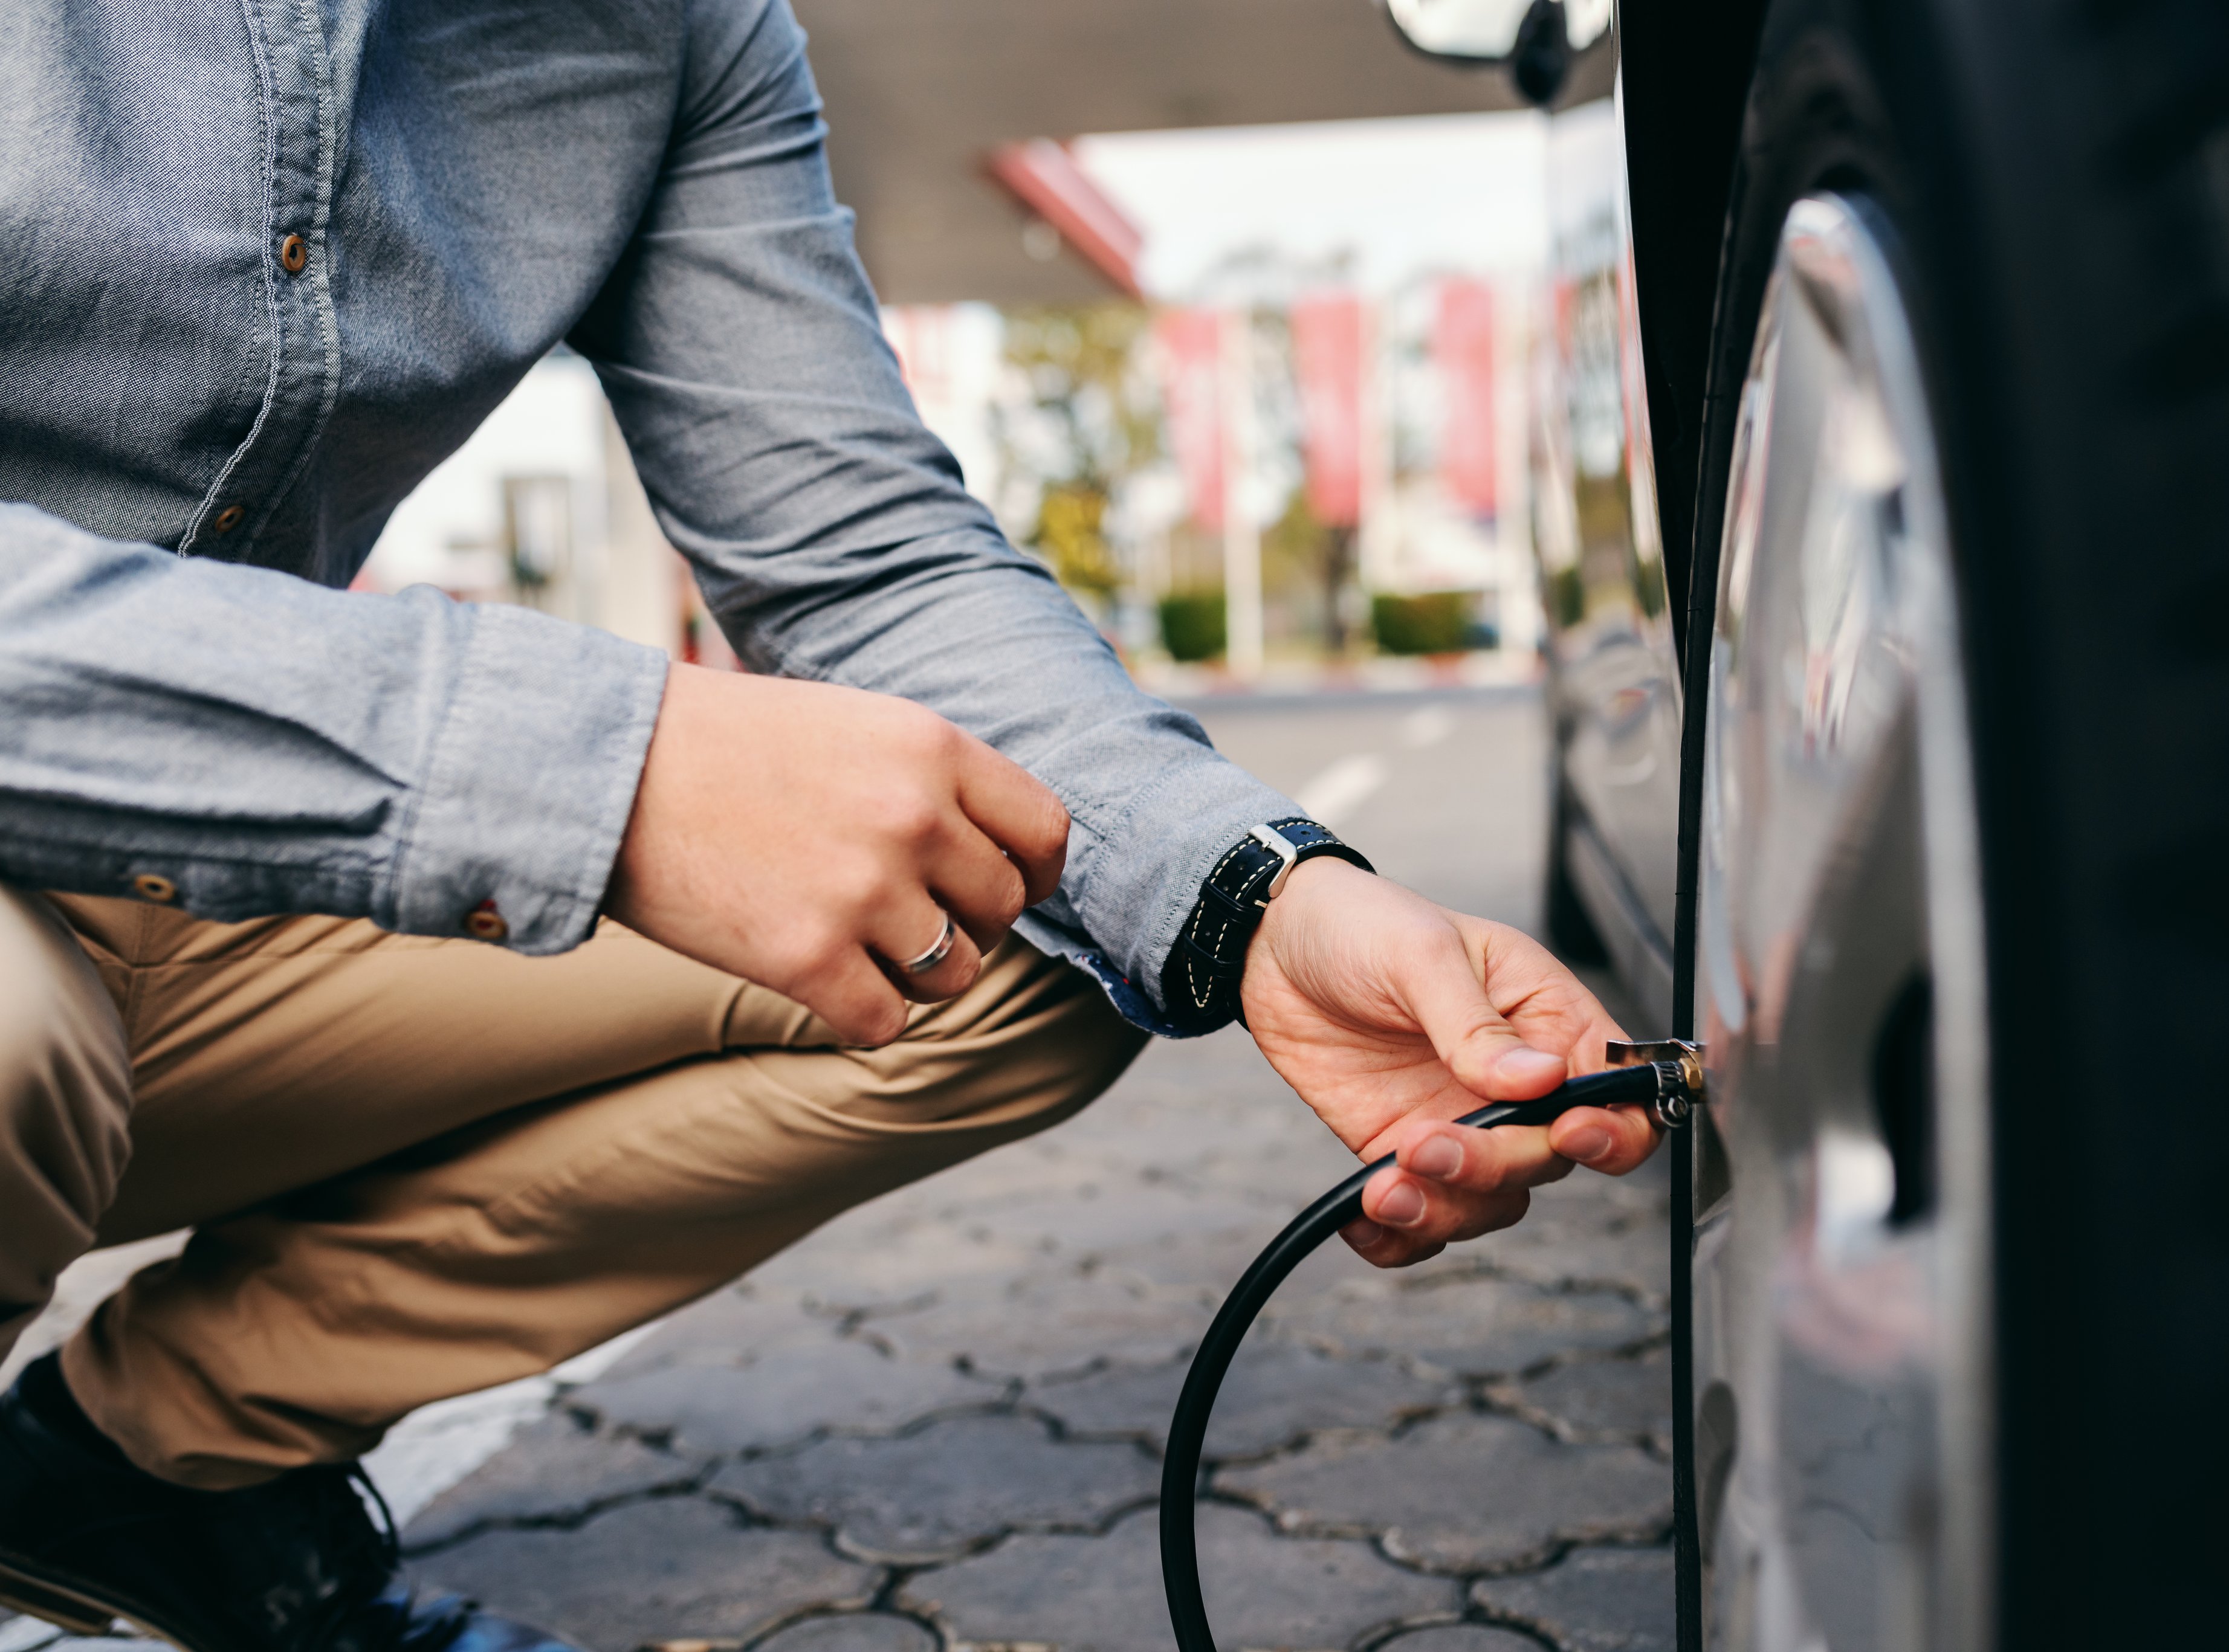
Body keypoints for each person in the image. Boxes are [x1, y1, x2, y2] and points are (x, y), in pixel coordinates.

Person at [0, 4, 1657, 1648]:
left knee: (1014, 909)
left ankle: (149, 1473)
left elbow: (867, 554)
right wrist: (605, 771)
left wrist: (1266, 901)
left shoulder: (668, 35)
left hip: (212, 899)